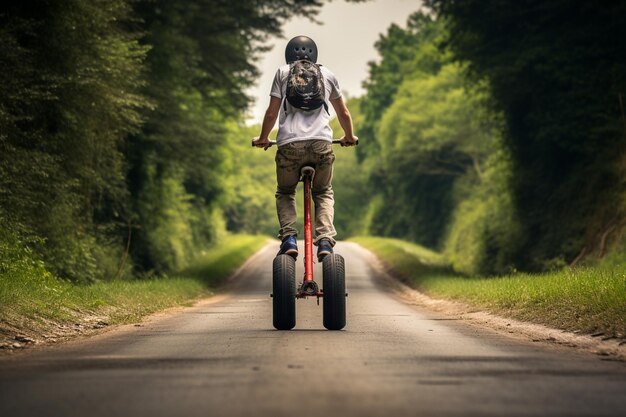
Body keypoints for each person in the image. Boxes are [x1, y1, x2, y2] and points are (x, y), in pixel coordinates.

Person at [252, 35, 358, 261]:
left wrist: (263, 137)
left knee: (286, 191)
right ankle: (325, 240)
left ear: (288, 54)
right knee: (323, 192)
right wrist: (348, 136)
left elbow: (271, 113)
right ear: (314, 54)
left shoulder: (282, 73)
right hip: (321, 145)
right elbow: (344, 114)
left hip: (290, 145)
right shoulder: (327, 74)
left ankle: (289, 237)